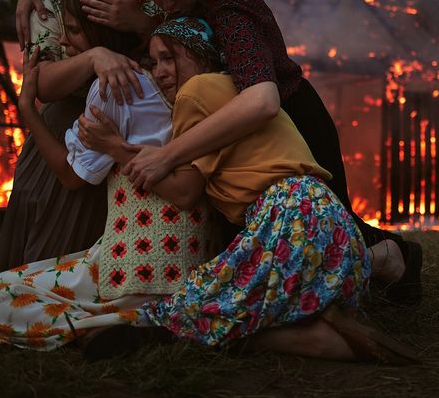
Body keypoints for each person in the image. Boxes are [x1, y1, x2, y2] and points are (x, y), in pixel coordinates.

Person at [67, 0, 422, 301]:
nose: (164, 2)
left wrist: (167, 155)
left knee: (324, 227)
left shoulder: (231, 10)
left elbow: (262, 100)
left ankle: (392, 259)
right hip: (229, 123)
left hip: (291, 121)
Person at [80, 18, 415, 362]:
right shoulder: (236, 88)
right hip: (327, 220)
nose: (161, 72)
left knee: (196, 304)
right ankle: (317, 323)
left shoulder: (194, 92)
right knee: (229, 299)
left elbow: (184, 192)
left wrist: (114, 147)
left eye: (170, 58)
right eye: (154, 62)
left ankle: (314, 340)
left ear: (202, 57)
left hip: (288, 218)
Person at [0, 0, 211, 350]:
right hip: (187, 262)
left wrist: (30, 112)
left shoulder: (113, 86)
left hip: (134, 266)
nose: (63, 39)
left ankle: (110, 325)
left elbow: (71, 176)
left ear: (102, 36)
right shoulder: (182, 88)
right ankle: (139, 320)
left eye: (75, 30)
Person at [0, 0, 157, 271]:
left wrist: (144, 23)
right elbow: (42, 86)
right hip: (74, 132)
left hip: (150, 132)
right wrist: (93, 57)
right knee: (57, 256)